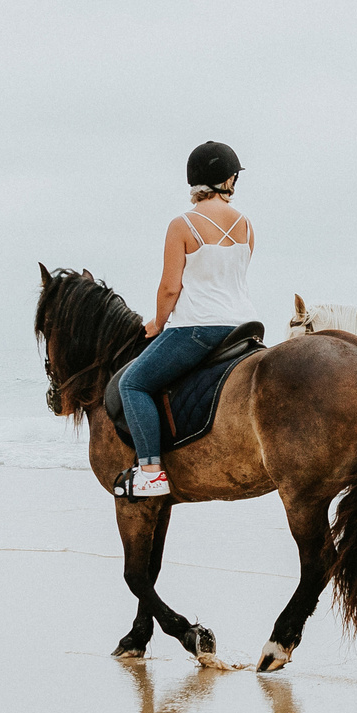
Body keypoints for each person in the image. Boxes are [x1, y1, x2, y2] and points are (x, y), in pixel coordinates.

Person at [113, 142, 257, 500]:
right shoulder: (247, 226)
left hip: (197, 328)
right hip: (243, 326)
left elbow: (169, 287)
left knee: (132, 384)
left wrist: (158, 323)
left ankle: (149, 472)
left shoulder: (183, 225)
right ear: (227, 179)